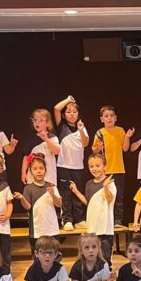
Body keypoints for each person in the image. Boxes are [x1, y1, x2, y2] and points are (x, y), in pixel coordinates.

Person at [70, 153, 117, 262]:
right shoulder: (89, 184)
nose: (94, 169)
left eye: (98, 165)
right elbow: (88, 202)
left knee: (105, 257)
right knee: (93, 258)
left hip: (105, 228)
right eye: (91, 166)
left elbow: (110, 199)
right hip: (92, 227)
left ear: (104, 167)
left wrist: (105, 186)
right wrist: (76, 191)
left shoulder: (110, 182)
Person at [54, 95, 90, 229]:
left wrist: (81, 129)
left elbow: (85, 143)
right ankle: (67, 219)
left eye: (74, 112)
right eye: (68, 112)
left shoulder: (82, 127)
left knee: (77, 192)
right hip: (63, 165)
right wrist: (68, 100)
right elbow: (56, 109)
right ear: (64, 115)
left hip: (78, 167)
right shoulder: (61, 126)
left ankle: (79, 219)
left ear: (78, 114)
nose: (72, 114)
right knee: (66, 194)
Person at [14, 155, 62, 252]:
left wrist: (53, 195)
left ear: (45, 170)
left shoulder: (51, 186)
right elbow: (28, 207)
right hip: (37, 230)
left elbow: (59, 204)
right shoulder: (28, 188)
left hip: (52, 229)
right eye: (35, 169)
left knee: (54, 254)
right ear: (31, 171)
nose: (39, 171)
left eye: (41, 168)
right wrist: (22, 198)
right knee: (37, 255)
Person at [91, 105, 129, 225]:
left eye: (111, 116)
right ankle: (105, 219)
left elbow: (125, 148)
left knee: (118, 197)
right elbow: (94, 151)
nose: (109, 118)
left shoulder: (120, 130)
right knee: (105, 196)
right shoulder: (100, 133)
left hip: (119, 169)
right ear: (102, 119)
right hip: (105, 171)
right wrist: (98, 148)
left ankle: (118, 220)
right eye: (106, 116)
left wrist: (127, 137)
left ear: (115, 118)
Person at [21, 108, 61, 189]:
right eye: (35, 120)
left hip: (49, 176)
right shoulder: (31, 139)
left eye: (40, 120)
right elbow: (26, 156)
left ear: (47, 123)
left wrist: (46, 139)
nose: (37, 122)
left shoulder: (52, 137)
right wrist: (23, 172)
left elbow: (56, 151)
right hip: (33, 175)